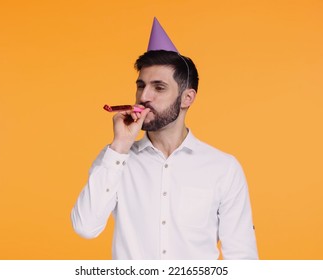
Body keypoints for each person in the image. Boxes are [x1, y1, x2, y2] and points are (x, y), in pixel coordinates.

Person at [71, 18, 258, 260]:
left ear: (187, 98)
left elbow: (242, 256)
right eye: (141, 86)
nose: (144, 96)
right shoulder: (115, 160)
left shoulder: (224, 168)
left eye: (158, 87)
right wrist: (119, 146)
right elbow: (85, 227)